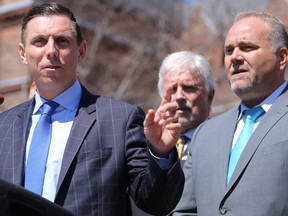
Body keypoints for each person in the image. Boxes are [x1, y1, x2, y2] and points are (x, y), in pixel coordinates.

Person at [0, 2, 184, 216]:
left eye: (62, 41)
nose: (51, 51)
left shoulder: (120, 119)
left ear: (81, 51)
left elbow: (156, 203)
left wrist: (160, 153)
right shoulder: (4, 125)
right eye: (40, 41)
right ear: (23, 53)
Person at [171, 11, 288, 215]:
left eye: (247, 47)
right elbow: (185, 210)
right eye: (229, 50)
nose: (235, 57)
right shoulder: (205, 134)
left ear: (282, 57)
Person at [132, 51, 215, 216]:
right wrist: (159, 152)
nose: (179, 97)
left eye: (189, 88)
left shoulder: (225, 141)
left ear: (210, 96)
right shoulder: (139, 145)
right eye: (172, 89)